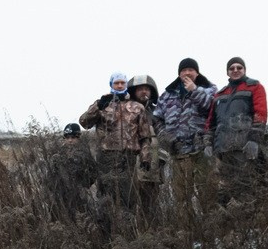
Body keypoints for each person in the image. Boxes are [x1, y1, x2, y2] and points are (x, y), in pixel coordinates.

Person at [77, 72, 153, 201]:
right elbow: (84, 123)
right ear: (111, 84)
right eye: (116, 83)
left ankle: (127, 220)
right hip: (106, 157)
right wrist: (98, 106)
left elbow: (145, 136)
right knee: (105, 196)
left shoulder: (137, 107)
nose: (119, 85)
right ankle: (107, 219)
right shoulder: (102, 104)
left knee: (128, 196)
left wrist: (145, 157)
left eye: (122, 83)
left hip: (128, 158)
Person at [156, 60, 215, 208]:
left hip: (201, 151)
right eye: (184, 70)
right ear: (179, 73)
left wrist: (194, 90)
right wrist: (166, 137)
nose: (187, 73)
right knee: (181, 199)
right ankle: (185, 230)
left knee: (208, 195)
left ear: (197, 72)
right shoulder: (167, 95)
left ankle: (210, 229)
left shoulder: (210, 89)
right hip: (178, 153)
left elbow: (213, 109)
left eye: (191, 70)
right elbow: (156, 119)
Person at [212, 57, 268, 186]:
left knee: (246, 186)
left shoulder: (255, 87)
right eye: (232, 68)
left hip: (245, 148)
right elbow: (211, 122)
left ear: (244, 70)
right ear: (227, 72)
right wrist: (209, 144)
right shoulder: (219, 95)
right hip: (223, 150)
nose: (235, 70)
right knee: (225, 189)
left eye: (239, 67)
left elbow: (261, 115)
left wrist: (254, 139)